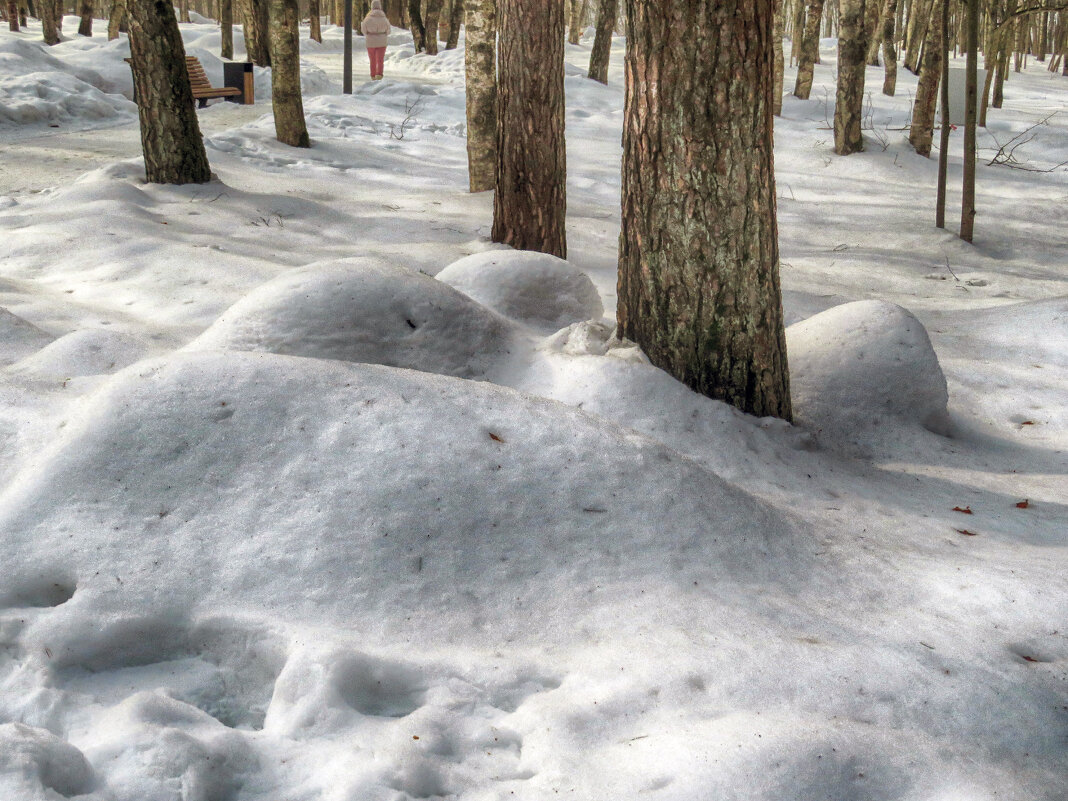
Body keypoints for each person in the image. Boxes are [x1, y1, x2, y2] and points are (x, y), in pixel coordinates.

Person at [361, 0, 391, 81]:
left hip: (370, 41)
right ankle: (379, 74)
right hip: (382, 42)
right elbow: (389, 31)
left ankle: (373, 75)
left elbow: (363, 30)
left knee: (372, 59)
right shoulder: (384, 18)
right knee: (380, 59)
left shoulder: (367, 18)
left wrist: (369, 34)